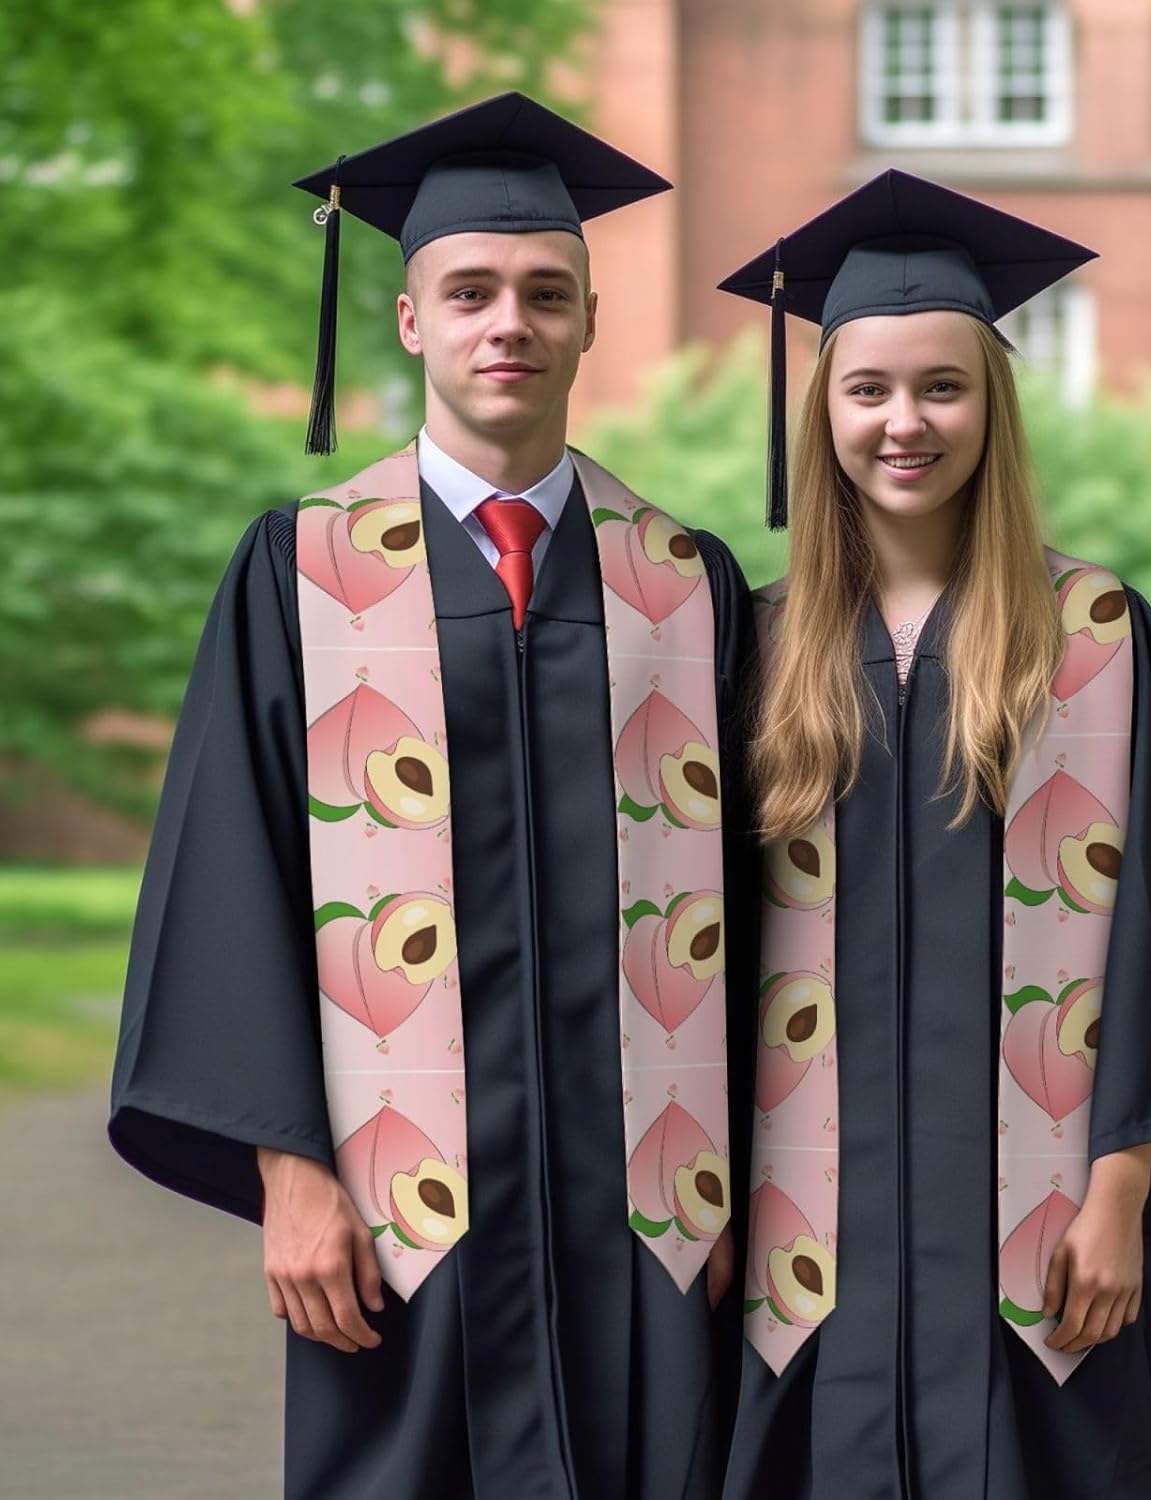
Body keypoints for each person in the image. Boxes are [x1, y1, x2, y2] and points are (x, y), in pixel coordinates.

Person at [109, 92, 752, 1500]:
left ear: (590, 320)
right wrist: (288, 1172)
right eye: (470, 293)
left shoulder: (685, 585)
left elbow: (769, 912)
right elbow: (231, 875)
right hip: (407, 1220)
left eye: (544, 293)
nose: (507, 323)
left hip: (649, 1219)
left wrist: (749, 1195)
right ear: (410, 320)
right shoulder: (304, 572)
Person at [715, 170, 1151, 1499]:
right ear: (821, 413)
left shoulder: (1092, 638)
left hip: (1043, 1247)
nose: (905, 422)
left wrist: (1121, 1192)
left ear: (993, 408)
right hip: (805, 1245)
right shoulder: (754, 645)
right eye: (868, 389)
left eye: (943, 387)